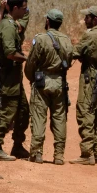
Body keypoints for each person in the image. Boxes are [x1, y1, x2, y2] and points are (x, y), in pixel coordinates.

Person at [24, 9, 74, 165]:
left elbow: (31, 63)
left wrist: (32, 78)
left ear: (47, 21)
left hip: (42, 82)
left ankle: (36, 153)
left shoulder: (41, 39)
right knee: (60, 118)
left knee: (39, 117)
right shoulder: (67, 40)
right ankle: (59, 155)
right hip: (60, 82)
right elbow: (68, 62)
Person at [0, 0, 31, 161]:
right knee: (7, 112)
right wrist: (27, 59)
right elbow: (10, 53)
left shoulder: (12, 24)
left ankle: (17, 146)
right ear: (15, 8)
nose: (26, 11)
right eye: (23, 8)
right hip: (7, 77)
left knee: (23, 112)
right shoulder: (7, 26)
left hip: (15, 78)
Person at [71, 6, 97, 165]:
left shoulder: (91, 35)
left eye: (87, 17)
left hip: (90, 78)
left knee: (85, 112)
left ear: (94, 19)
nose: (84, 20)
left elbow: (75, 52)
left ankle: (87, 153)